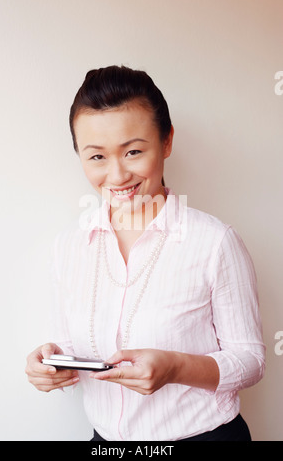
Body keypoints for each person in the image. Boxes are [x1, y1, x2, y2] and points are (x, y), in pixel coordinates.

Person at [26, 65, 265, 441]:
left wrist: (175, 367)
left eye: (133, 151)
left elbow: (251, 362)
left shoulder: (215, 242)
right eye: (97, 157)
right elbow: (70, 346)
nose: (118, 175)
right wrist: (51, 363)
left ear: (167, 142)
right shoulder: (69, 245)